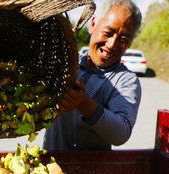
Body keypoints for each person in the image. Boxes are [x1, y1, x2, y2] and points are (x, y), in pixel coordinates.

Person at [43, 0, 142, 151]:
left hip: (91, 172)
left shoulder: (126, 81)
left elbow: (121, 133)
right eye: (108, 33)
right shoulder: (65, 63)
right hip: (49, 167)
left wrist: (84, 103)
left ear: (130, 43)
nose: (111, 45)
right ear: (93, 24)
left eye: (123, 40)